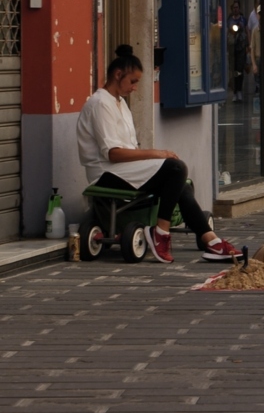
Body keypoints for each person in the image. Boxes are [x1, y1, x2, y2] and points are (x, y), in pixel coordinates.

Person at [77, 46, 239, 263]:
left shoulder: (121, 103)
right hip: (106, 172)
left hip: (122, 170)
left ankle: (210, 240)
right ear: (118, 75)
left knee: (178, 178)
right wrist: (155, 154)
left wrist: (155, 157)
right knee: (175, 168)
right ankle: (162, 232)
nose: (135, 87)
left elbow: (127, 148)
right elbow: (113, 153)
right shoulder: (100, 103)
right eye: (133, 81)